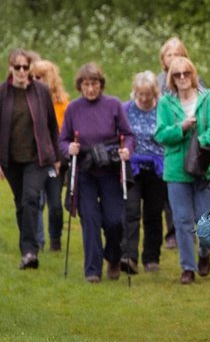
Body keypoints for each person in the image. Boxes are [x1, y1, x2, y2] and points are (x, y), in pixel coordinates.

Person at [61, 63, 134, 282]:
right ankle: (92, 270)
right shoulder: (73, 108)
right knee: (90, 219)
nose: (91, 89)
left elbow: (128, 134)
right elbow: (63, 140)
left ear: (101, 84)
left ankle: (113, 258)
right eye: (86, 84)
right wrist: (68, 149)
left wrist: (126, 150)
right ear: (80, 86)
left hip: (110, 170)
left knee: (114, 220)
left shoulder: (113, 105)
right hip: (85, 172)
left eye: (94, 84)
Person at [155, 57, 210, 284]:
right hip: (176, 170)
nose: (183, 77)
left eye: (186, 73)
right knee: (182, 220)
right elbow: (161, 135)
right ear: (171, 78)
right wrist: (182, 128)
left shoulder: (207, 99)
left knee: (205, 220)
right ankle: (187, 267)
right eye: (177, 74)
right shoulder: (165, 103)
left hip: (204, 167)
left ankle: (204, 254)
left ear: (193, 74)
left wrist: (200, 141)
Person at [1, 49, 62, 270]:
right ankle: (28, 249)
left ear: (30, 68)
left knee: (30, 198)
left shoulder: (41, 91)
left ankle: (30, 251)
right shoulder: (2, 93)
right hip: (11, 159)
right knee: (20, 203)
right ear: (10, 68)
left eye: (25, 67)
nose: (21, 71)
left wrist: (55, 156)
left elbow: (52, 126)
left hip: (37, 157)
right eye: (17, 67)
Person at [121, 72, 168, 273]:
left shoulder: (162, 109)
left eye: (147, 94)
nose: (143, 98)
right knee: (131, 210)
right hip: (133, 167)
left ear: (154, 93)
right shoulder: (126, 109)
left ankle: (151, 257)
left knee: (153, 213)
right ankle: (129, 256)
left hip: (157, 169)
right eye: (140, 94)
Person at [30, 58, 69, 252]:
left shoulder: (63, 104)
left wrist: (60, 160)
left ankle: (56, 239)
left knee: (55, 204)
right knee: (35, 201)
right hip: (35, 160)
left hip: (56, 162)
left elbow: (64, 134)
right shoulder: (29, 101)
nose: (36, 80)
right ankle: (38, 241)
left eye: (41, 77)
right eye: (34, 76)